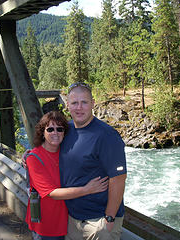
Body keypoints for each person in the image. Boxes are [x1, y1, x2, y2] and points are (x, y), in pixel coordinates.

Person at [25, 111, 108, 240]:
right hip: (47, 225)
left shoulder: (67, 152)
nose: (55, 133)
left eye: (59, 129)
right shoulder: (34, 158)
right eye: (50, 129)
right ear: (42, 132)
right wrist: (88, 189)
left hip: (69, 222)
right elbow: (51, 193)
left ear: (64, 132)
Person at [59, 82, 127, 240]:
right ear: (67, 105)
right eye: (74, 103)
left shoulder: (107, 136)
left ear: (93, 103)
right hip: (71, 220)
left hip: (97, 222)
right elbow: (48, 152)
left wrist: (109, 219)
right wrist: (29, 156)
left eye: (84, 102)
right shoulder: (65, 130)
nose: (79, 107)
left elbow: (118, 180)